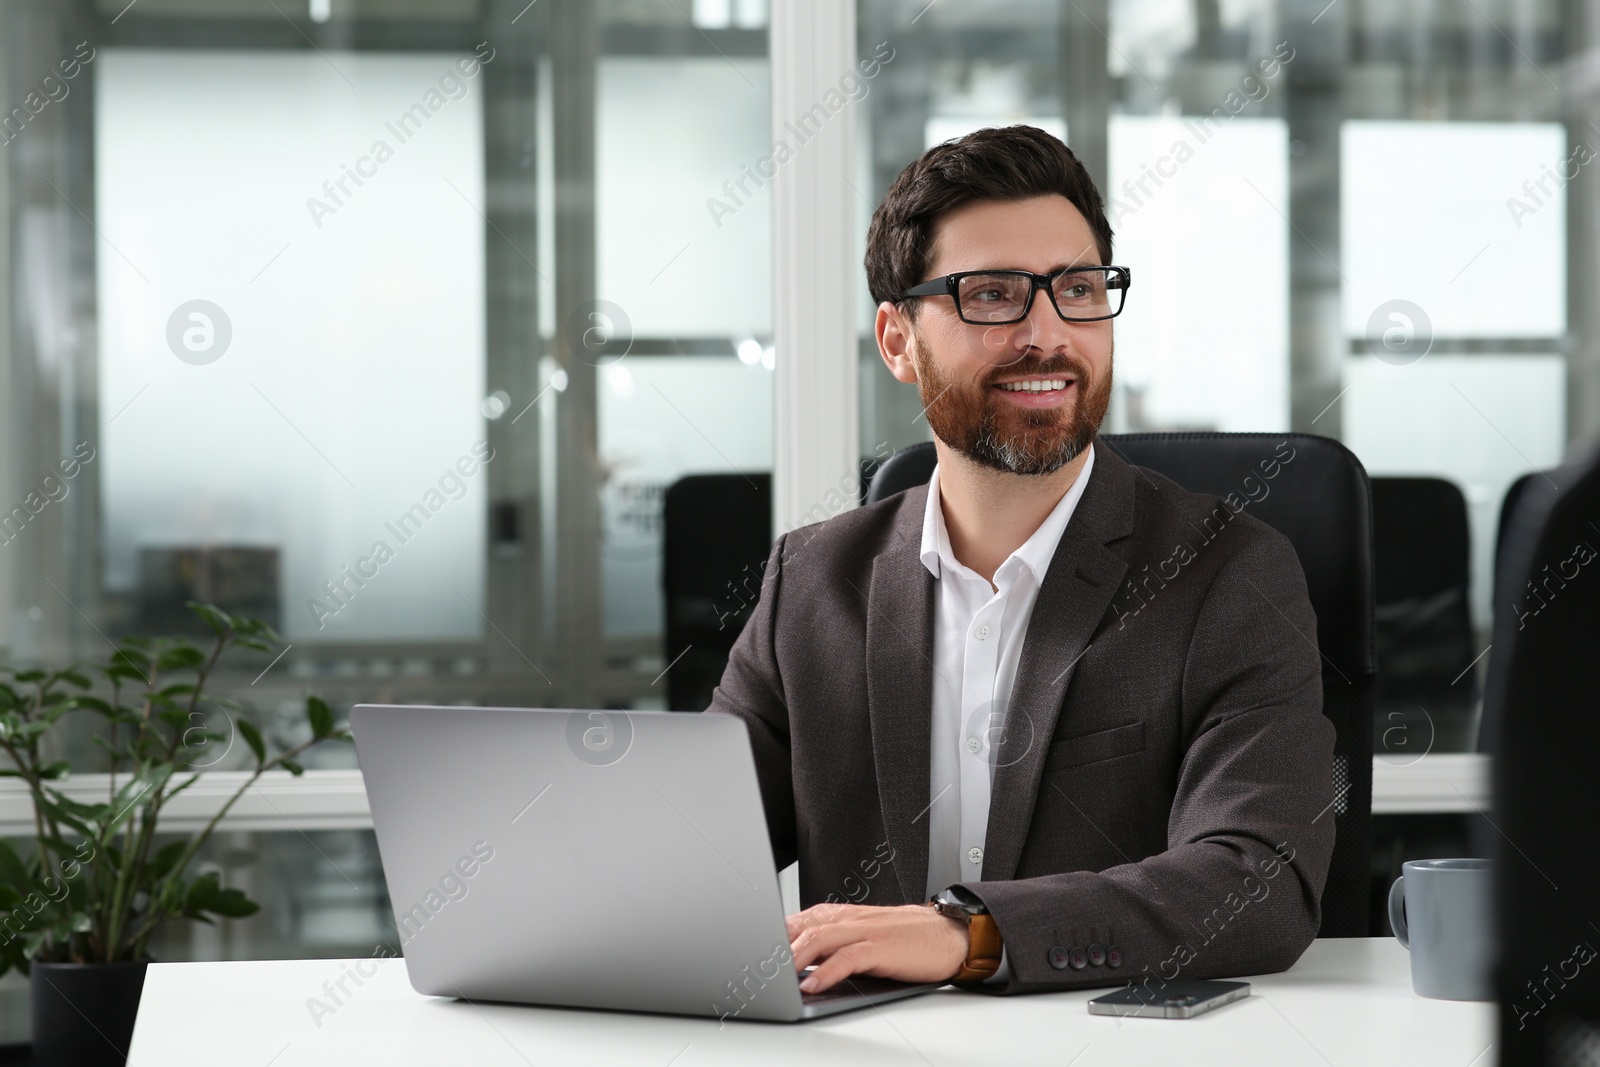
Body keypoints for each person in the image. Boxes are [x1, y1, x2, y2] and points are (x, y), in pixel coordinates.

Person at [706, 124, 1334, 995]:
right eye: (992, 294)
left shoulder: (1227, 574)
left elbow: (1258, 879)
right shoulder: (810, 583)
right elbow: (690, 855)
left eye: (1078, 289)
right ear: (897, 341)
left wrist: (969, 934)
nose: (1048, 333)